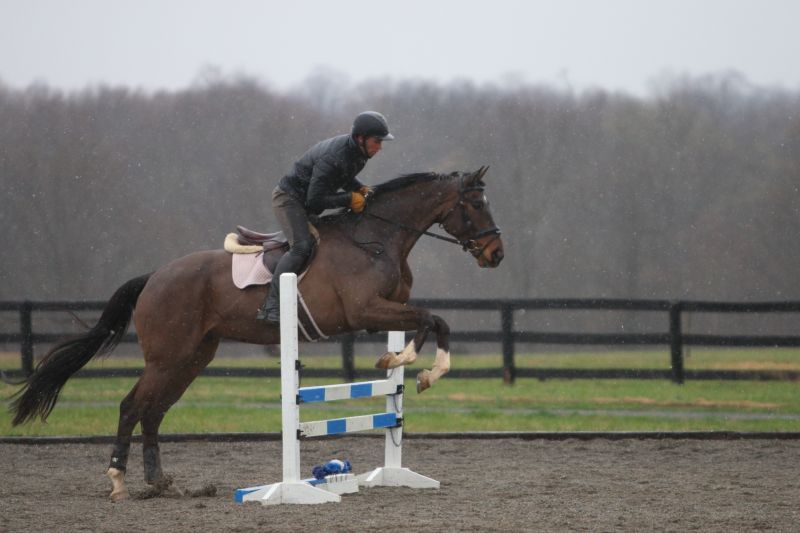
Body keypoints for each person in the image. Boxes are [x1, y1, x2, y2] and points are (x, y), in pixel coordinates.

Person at [256, 111, 394, 323]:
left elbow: (342, 176)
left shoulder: (358, 153)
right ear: (361, 138)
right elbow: (315, 201)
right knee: (302, 247)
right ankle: (271, 306)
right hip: (289, 199)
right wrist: (349, 198)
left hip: (305, 200)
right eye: (377, 141)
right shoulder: (335, 156)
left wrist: (359, 188)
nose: (380, 147)